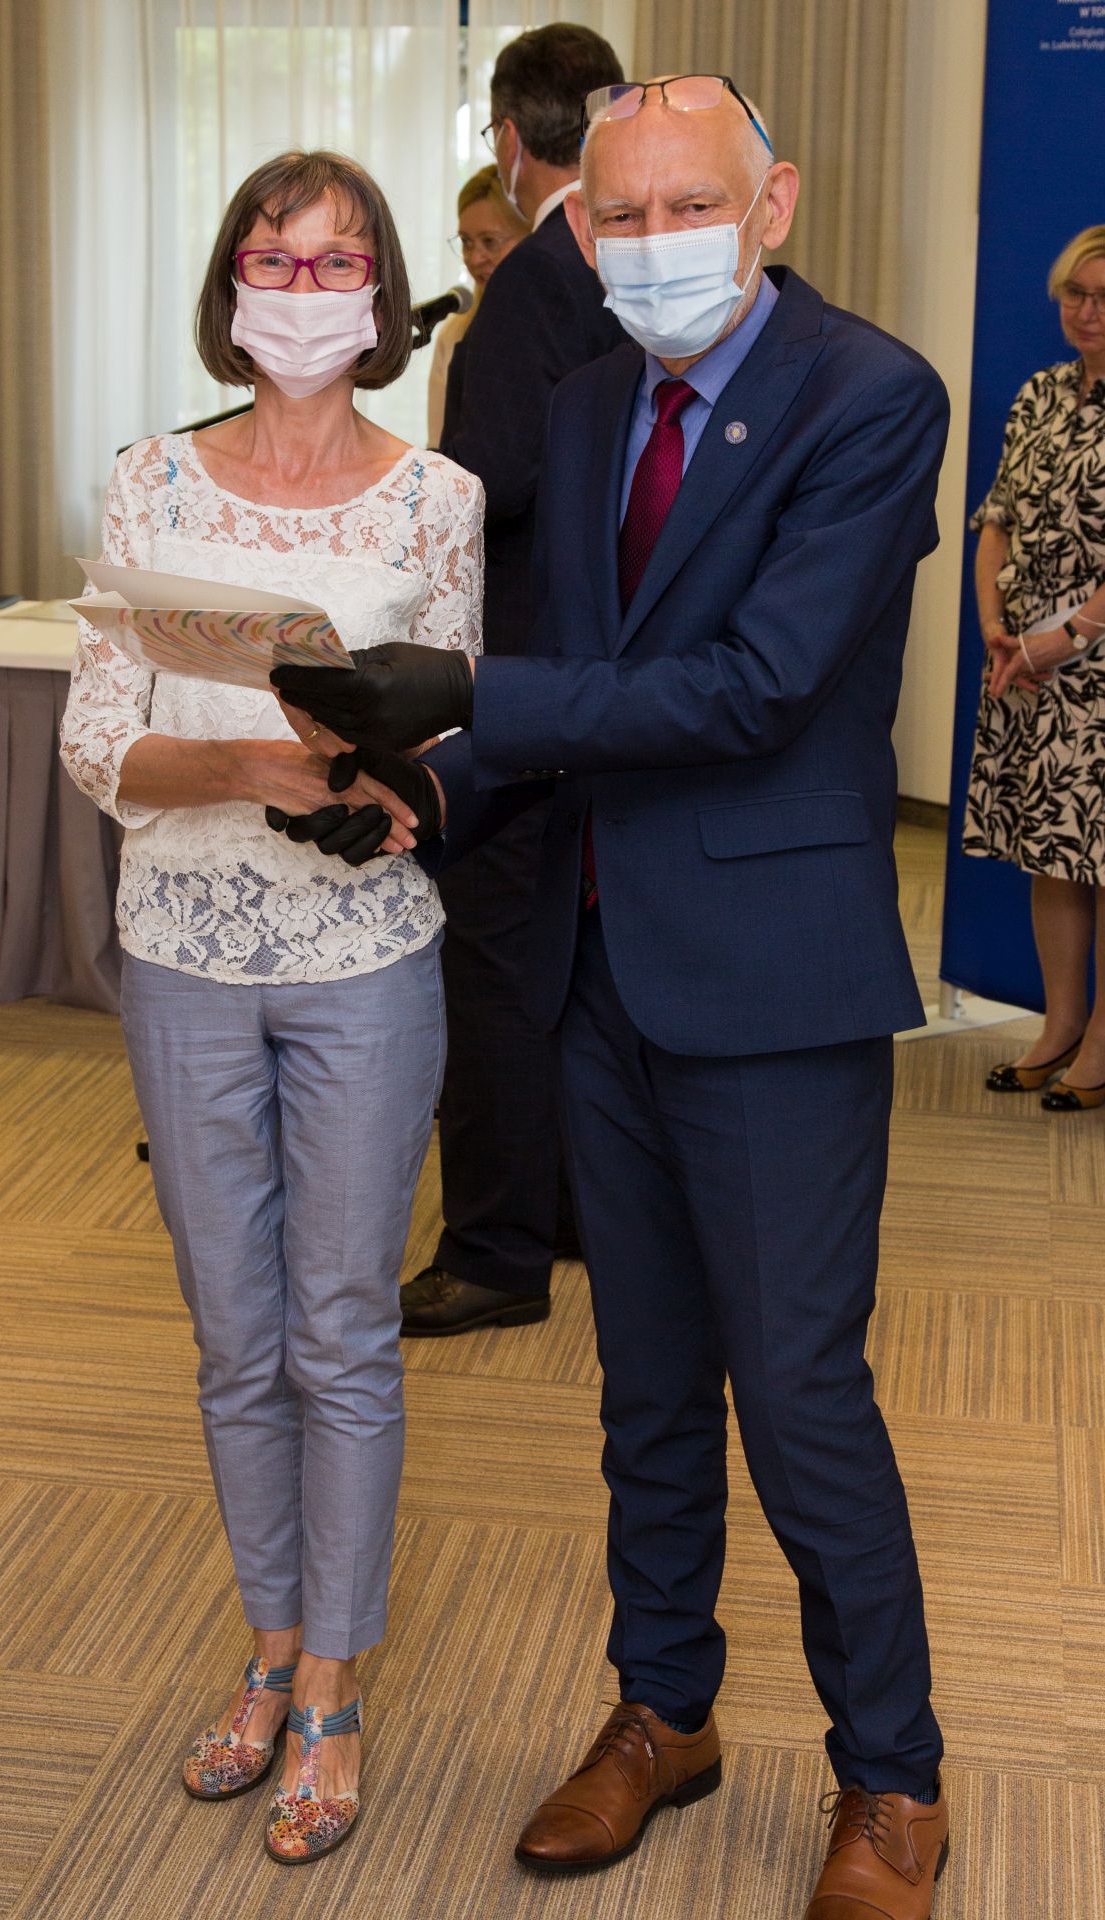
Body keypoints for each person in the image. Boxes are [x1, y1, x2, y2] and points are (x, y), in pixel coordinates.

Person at [272, 76, 953, 1919]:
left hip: (772, 980)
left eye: (689, 207)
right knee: (645, 1387)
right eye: (621, 217)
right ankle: (666, 1709)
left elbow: (756, 688)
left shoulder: (871, 396)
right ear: (579, 229)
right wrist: (425, 796)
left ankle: (893, 1773)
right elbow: (573, 681)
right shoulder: (583, 409)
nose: (653, 244)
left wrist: (471, 695)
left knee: (798, 1397)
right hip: (598, 968)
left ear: (774, 205)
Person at [59, 149, 482, 1866]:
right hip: (182, 945)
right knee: (235, 1336)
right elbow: (98, 742)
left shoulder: (435, 498)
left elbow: (456, 740)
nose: (306, 291)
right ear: (231, 285)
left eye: (339, 263)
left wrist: (389, 782)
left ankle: (331, 1683)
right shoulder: (150, 481)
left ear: (381, 298)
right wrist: (251, 762)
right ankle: (264, 1638)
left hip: (365, 957)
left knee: (340, 1328)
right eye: (276, 259)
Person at [403, 22, 626, 1339]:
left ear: (506, 140)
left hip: (525, 685)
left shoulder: (530, 290)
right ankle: (570, 1207)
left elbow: (484, 497)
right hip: (618, 686)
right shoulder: (634, 265)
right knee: (579, 965)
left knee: (489, 963)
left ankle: (493, 1247)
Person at [964, 225, 1105, 1110]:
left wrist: (1072, 634)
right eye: (1075, 294)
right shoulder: (1040, 394)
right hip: (1031, 665)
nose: (1087, 312)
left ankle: (1101, 1050)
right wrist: (996, 627)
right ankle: (1060, 1026)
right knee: (1051, 851)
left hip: (1094, 662)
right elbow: (997, 519)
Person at [426, 165, 528, 447]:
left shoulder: (549, 332)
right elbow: (438, 444)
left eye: (489, 241)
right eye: (466, 242)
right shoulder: (453, 333)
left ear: (531, 238)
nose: (474, 258)